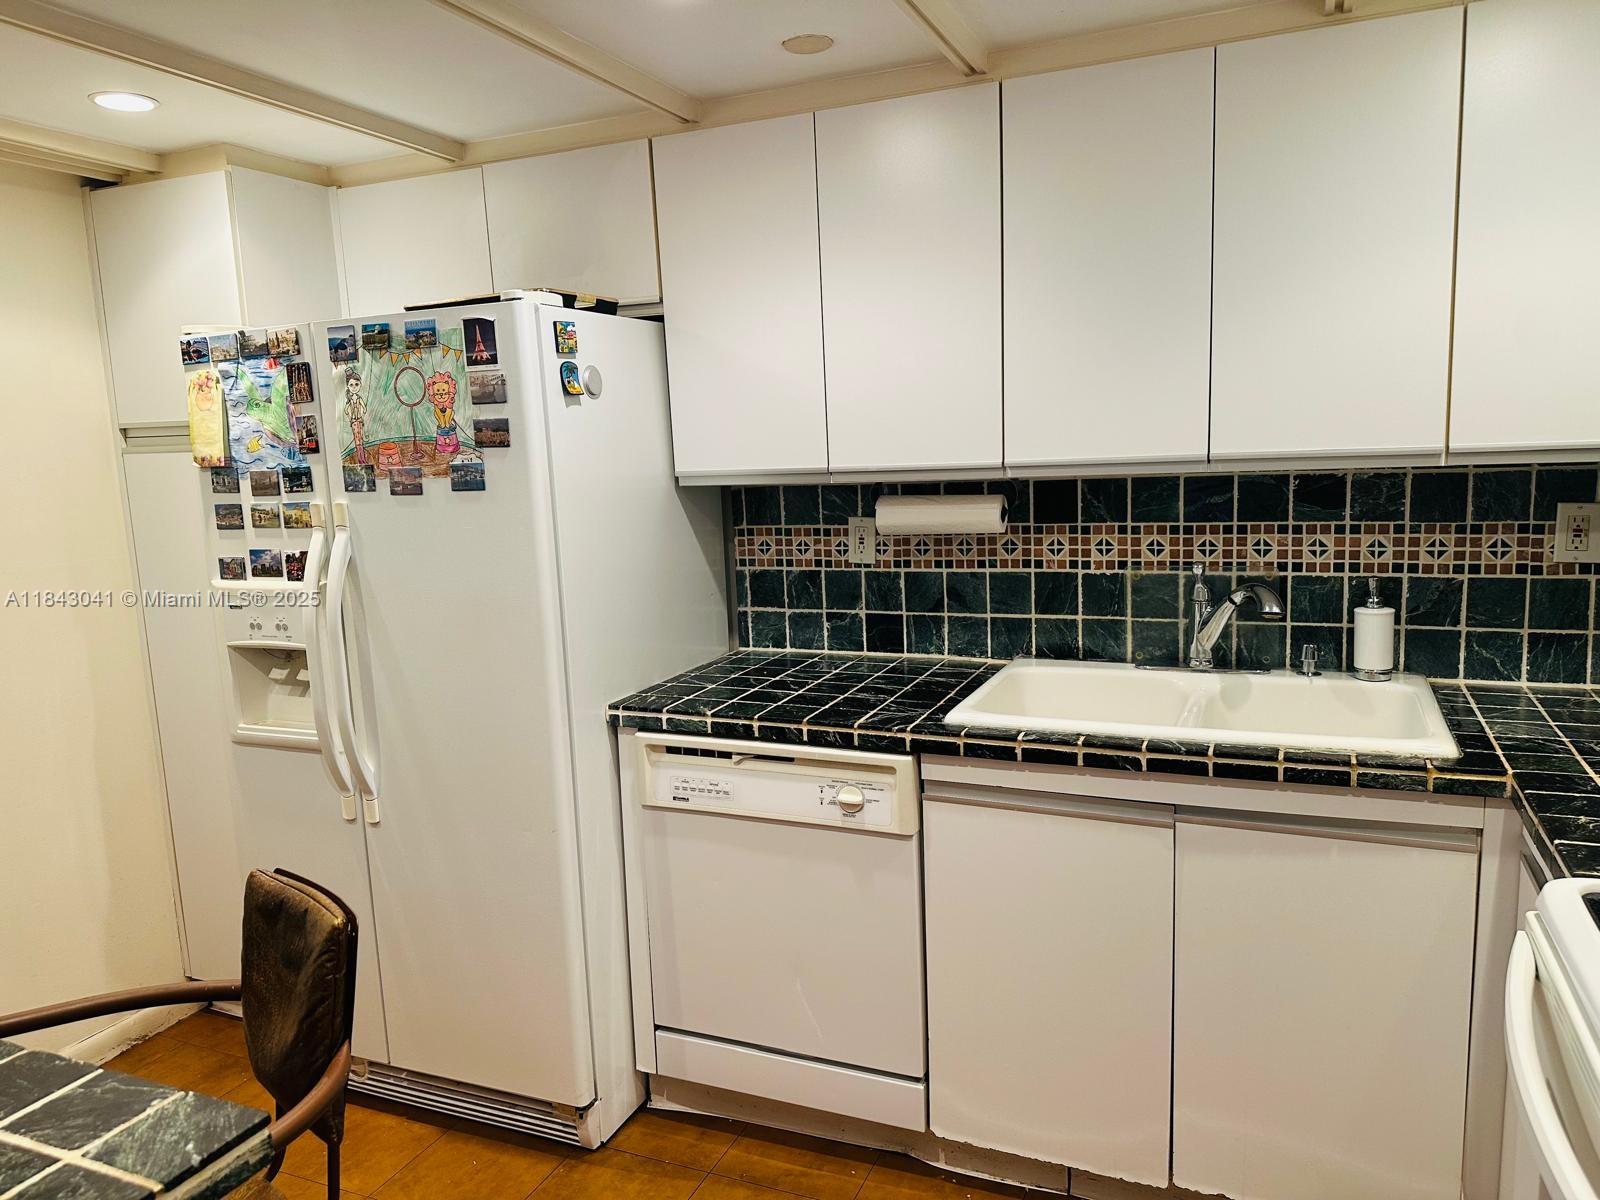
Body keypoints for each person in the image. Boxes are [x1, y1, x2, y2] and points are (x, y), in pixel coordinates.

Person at [427, 371, 460, 458]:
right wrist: (441, 422)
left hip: (448, 420)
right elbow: (437, 413)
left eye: (444, 391)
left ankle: (451, 445)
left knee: (450, 414)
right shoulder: (437, 404)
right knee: (438, 414)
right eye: (438, 391)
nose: (441, 394)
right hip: (441, 421)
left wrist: (447, 422)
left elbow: (450, 412)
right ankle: (442, 446)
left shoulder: (449, 403)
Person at [344, 367, 367, 464]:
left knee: (360, 440)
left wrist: (362, 411)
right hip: (354, 422)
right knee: (357, 441)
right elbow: (345, 410)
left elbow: (364, 409)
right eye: (351, 385)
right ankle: (360, 459)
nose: (354, 387)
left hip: (359, 421)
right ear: (348, 386)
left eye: (356, 384)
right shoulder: (349, 400)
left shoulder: (359, 398)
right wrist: (351, 416)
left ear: (360, 385)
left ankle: (362, 458)